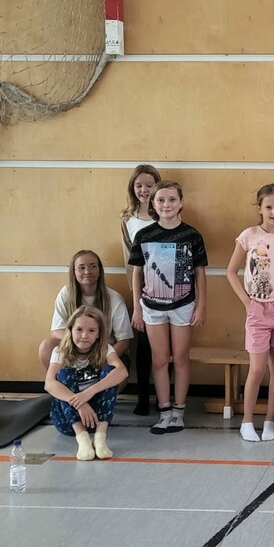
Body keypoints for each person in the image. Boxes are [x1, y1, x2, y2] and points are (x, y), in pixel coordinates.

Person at [128, 180, 208, 435]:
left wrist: (201, 305)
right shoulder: (143, 236)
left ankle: (178, 412)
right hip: (152, 307)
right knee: (160, 359)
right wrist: (137, 308)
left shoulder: (192, 235)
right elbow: (137, 273)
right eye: (161, 200)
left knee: (181, 358)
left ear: (181, 202)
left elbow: (200, 272)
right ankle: (164, 412)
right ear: (153, 204)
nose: (167, 204)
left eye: (172, 199)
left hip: (183, 306)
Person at [227, 184, 274, 443]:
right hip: (257, 309)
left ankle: (270, 419)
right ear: (259, 208)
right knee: (257, 368)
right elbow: (231, 271)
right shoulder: (248, 235)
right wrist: (247, 303)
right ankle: (247, 421)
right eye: (269, 207)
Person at [45, 306, 128, 461]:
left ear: (98, 334)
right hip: (68, 420)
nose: (84, 335)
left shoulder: (105, 349)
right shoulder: (59, 351)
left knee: (111, 372)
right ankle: (82, 439)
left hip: (96, 417)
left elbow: (122, 372)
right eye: (79, 329)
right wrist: (80, 403)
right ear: (70, 330)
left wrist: (89, 393)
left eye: (91, 330)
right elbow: (49, 384)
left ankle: (100, 438)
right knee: (63, 374)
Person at [37, 250, 132, 371]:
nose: (87, 271)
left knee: (117, 369)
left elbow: (124, 340)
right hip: (74, 349)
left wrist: (102, 358)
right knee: (46, 347)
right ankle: (64, 382)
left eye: (93, 266)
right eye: (81, 268)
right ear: (74, 271)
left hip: (104, 352)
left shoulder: (114, 298)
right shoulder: (66, 294)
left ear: (100, 270)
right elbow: (57, 331)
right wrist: (80, 346)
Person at [119, 163, 162, 414]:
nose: (144, 190)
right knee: (144, 345)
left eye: (149, 185)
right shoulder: (127, 219)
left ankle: (162, 396)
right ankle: (143, 396)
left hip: (165, 291)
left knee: (163, 348)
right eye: (139, 185)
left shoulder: (165, 214)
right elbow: (129, 262)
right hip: (142, 292)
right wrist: (136, 301)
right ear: (132, 188)